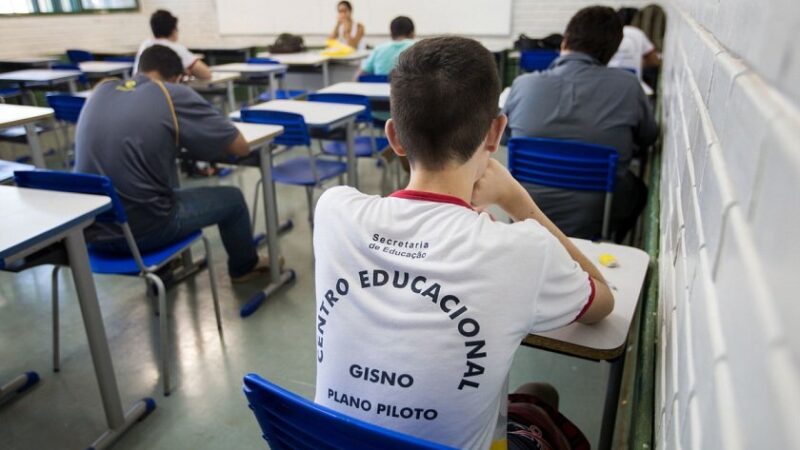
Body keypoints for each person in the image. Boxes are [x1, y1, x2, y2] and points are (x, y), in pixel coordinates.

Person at [313, 36, 613, 450]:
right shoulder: (523, 249)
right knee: (541, 394)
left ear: (394, 137)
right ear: (496, 133)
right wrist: (519, 203)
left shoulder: (332, 210)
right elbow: (603, 304)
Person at [74, 45, 275, 283]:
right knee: (233, 199)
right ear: (177, 78)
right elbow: (240, 147)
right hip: (143, 232)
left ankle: (166, 268)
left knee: (160, 182)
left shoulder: (101, 90)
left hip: (92, 231)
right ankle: (245, 267)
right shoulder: (169, 93)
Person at [503, 6, 658, 242]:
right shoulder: (628, 87)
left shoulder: (523, 85)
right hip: (597, 217)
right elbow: (648, 137)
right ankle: (615, 244)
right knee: (638, 191)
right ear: (612, 52)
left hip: (525, 212)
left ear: (564, 42)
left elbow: (505, 138)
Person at [133, 9, 212, 81]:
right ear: (173, 30)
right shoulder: (176, 48)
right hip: (162, 93)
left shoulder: (145, 44)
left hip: (137, 89)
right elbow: (206, 74)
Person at [608, 7, 661, 79]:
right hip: (631, 81)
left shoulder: (608, 33)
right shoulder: (637, 33)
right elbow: (654, 61)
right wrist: (637, 62)